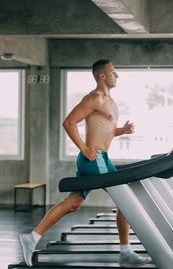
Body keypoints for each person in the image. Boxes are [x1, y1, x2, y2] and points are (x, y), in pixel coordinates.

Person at [20, 59, 151, 267]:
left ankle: (32, 237)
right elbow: (69, 122)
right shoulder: (94, 98)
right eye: (113, 72)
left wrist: (122, 131)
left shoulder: (110, 101)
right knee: (126, 199)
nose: (117, 75)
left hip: (101, 158)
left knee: (72, 204)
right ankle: (125, 252)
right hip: (94, 158)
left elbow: (104, 130)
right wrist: (84, 148)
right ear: (102, 76)